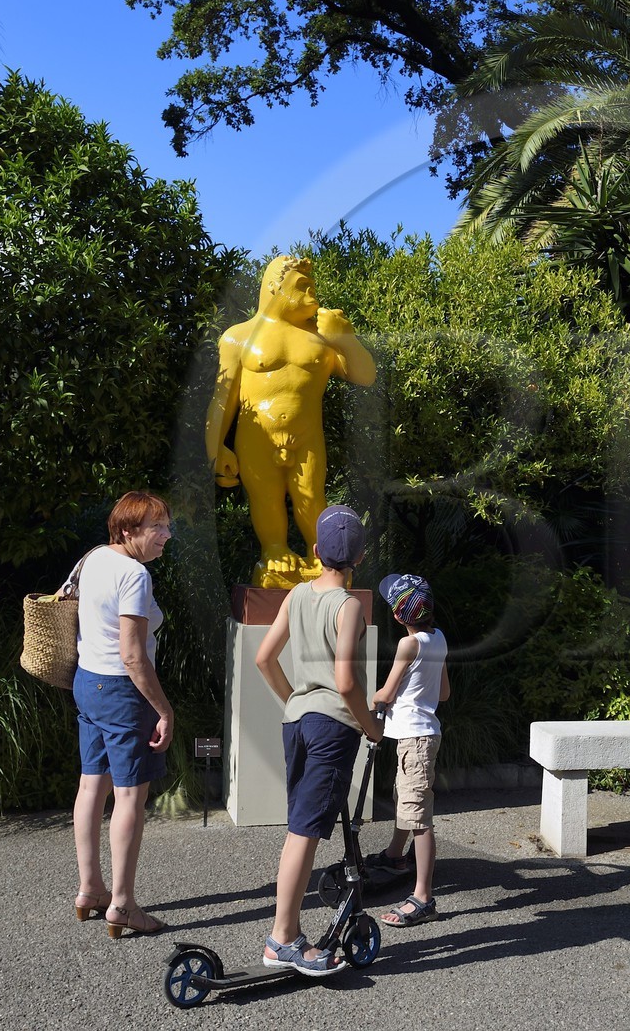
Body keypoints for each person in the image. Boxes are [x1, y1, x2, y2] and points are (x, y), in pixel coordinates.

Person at [254, 504, 385, 975]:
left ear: (315, 552)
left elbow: (265, 659)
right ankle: (282, 939)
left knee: (300, 828)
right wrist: (371, 727)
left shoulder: (296, 595)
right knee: (304, 833)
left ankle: (283, 933)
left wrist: (296, 700)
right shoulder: (349, 606)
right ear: (361, 558)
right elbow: (346, 682)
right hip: (333, 727)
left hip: (297, 722)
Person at [204, 255, 377, 589]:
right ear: (273, 286)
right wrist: (217, 448)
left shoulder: (322, 337)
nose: (312, 295)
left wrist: (346, 339)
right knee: (265, 496)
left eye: (313, 286)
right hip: (256, 437)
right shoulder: (238, 337)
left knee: (311, 496)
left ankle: (325, 560)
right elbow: (222, 397)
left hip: (306, 436)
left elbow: (366, 376)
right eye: (302, 287)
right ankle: (274, 550)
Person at [71, 490, 175, 938]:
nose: (167, 536)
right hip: (121, 691)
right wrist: (164, 708)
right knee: (129, 797)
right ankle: (123, 904)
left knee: (92, 784)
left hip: (87, 682)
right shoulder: (134, 575)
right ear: (129, 530)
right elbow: (133, 656)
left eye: (168, 526)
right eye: (158, 528)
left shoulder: (94, 558)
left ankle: (90, 888)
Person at [368, 573, 450, 928]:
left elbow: (385, 693)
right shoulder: (438, 638)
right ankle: (394, 856)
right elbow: (443, 692)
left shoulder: (409, 646)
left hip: (415, 738)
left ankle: (423, 897)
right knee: (406, 798)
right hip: (421, 735)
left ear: (399, 617)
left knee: (419, 817)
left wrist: (365, 699)